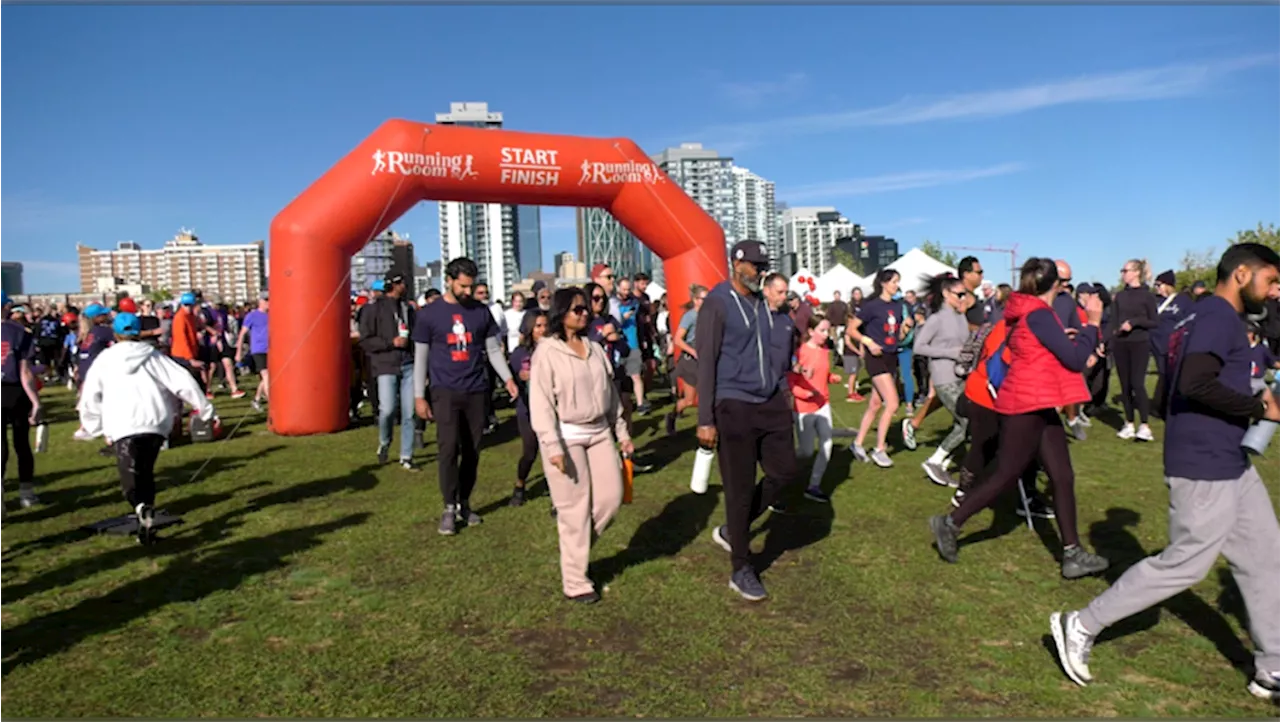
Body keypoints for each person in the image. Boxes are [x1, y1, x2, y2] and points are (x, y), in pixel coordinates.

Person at [1050, 244, 1280, 701]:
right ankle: (1080, 623)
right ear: (1240, 274)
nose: (1275, 292)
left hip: (1227, 458)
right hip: (1203, 464)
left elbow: (1175, 389)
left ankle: (1272, 666)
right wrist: (1258, 406)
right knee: (1186, 564)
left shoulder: (1199, 315)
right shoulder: (1216, 316)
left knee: (1265, 556)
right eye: (1271, 281)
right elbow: (1195, 383)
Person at [928, 258, 1110, 579]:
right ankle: (950, 523)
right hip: (1026, 402)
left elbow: (1038, 349)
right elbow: (1074, 360)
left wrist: (1064, 338)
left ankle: (1072, 553)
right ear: (1057, 285)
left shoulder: (1026, 309)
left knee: (1062, 475)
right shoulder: (1039, 314)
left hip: (1039, 401)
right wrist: (1092, 325)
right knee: (1005, 473)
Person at [696, 240, 799, 602]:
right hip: (732, 402)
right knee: (739, 489)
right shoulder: (717, 303)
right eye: (754, 265)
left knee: (785, 471)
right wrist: (705, 418)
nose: (760, 271)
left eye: (763, 265)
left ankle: (732, 530)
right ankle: (742, 567)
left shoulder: (760, 303)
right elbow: (705, 361)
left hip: (768, 399)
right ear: (736, 264)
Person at [529, 288, 633, 603]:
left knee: (611, 498)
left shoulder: (595, 348)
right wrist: (552, 445)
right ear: (561, 313)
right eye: (577, 309)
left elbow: (611, 394)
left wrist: (622, 432)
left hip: (600, 431)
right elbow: (541, 403)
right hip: (566, 435)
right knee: (574, 509)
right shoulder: (546, 352)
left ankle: (575, 551)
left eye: (586, 308)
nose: (584, 313)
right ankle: (575, 580)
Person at [76, 312, 214, 545]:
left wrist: (91, 426)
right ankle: (146, 517)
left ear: (116, 333)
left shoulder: (106, 359)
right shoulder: (154, 356)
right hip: (155, 422)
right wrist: (204, 408)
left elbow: (90, 394)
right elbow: (183, 381)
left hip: (123, 423)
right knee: (146, 470)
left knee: (130, 473)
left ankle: (140, 507)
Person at [413, 257, 517, 535]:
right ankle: (449, 506)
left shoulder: (481, 312)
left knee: (472, 450)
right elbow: (420, 357)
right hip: (444, 390)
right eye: (463, 286)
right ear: (448, 280)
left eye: (471, 286)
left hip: (476, 390)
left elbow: (493, 350)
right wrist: (418, 396)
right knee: (448, 449)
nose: (468, 292)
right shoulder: (429, 314)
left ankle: (464, 502)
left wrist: (508, 378)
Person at [911, 274, 973, 486]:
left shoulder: (960, 317)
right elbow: (919, 347)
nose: (964, 298)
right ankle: (935, 460)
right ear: (946, 294)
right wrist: (949, 353)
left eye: (965, 294)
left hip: (962, 375)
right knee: (966, 421)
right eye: (960, 294)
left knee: (966, 422)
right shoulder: (936, 319)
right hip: (943, 377)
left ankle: (942, 464)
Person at [847, 269, 910, 468]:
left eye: (898, 282)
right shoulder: (871, 306)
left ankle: (857, 443)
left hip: (891, 357)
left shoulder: (899, 307)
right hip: (876, 358)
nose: (896, 285)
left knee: (875, 403)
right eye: (893, 281)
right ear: (883, 283)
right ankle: (879, 449)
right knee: (892, 403)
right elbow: (851, 329)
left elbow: (895, 336)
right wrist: (868, 342)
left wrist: (906, 329)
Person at [359, 272, 419, 471]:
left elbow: (417, 335)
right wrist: (389, 343)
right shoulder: (372, 309)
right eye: (402, 283)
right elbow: (365, 340)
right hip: (385, 364)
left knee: (409, 413)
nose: (405, 286)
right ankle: (385, 442)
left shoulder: (408, 308)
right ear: (394, 285)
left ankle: (406, 456)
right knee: (387, 409)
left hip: (408, 364)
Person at [0, 291, 44, 520]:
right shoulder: (19, 332)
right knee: (21, 443)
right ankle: (26, 492)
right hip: (14, 391)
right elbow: (25, 372)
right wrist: (36, 402)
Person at [788, 315, 842, 503]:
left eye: (828, 330)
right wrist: (804, 394)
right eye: (822, 330)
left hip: (823, 405)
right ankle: (782, 466)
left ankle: (813, 486)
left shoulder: (825, 351)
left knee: (827, 444)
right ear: (811, 331)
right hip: (804, 408)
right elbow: (791, 382)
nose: (826, 335)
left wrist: (831, 377)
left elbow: (822, 374)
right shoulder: (801, 352)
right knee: (806, 452)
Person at [1110, 259, 1159, 441]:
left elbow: (1154, 321)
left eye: (1126, 270)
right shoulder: (1119, 296)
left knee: (1138, 383)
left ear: (1136, 272)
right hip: (1121, 344)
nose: (1123, 273)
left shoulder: (1147, 296)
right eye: (1122, 270)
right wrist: (1107, 341)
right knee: (1125, 386)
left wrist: (1135, 322)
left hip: (1140, 343)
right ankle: (1129, 422)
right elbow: (1113, 322)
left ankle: (1144, 425)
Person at [508, 309, 546, 507]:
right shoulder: (520, 353)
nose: (542, 330)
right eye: (538, 326)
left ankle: (558, 499)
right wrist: (519, 378)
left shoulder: (553, 349)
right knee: (530, 451)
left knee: (552, 452)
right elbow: (511, 378)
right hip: (527, 408)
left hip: (550, 409)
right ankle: (520, 484)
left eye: (545, 326)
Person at [665, 284, 707, 436]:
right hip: (690, 362)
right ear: (695, 300)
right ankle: (671, 416)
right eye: (703, 299)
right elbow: (678, 339)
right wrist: (693, 352)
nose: (706, 302)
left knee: (709, 395)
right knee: (689, 401)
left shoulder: (707, 315)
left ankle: (708, 426)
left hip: (704, 361)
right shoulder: (690, 316)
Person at [1150, 269, 1191, 417]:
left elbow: (1189, 320)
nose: (1157, 288)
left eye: (1159, 284)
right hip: (1156, 343)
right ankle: (1160, 406)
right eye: (1155, 285)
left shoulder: (1183, 300)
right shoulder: (1154, 300)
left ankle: (1166, 405)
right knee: (1163, 374)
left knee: (1172, 375)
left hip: (1175, 344)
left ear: (1168, 285)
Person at [236, 292, 270, 412]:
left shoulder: (272, 314)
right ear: (260, 301)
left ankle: (256, 399)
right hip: (258, 349)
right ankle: (273, 404)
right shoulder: (252, 315)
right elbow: (242, 334)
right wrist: (238, 352)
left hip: (271, 349)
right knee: (266, 375)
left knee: (266, 377)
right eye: (266, 300)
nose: (269, 303)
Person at [826, 291, 849, 356]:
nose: (837, 296)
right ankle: (836, 352)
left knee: (841, 339)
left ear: (840, 296)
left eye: (838, 295)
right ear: (834, 296)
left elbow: (847, 314)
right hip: (833, 325)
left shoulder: (843, 304)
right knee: (834, 340)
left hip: (842, 325)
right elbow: (828, 315)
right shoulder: (831, 305)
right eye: (835, 295)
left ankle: (840, 353)